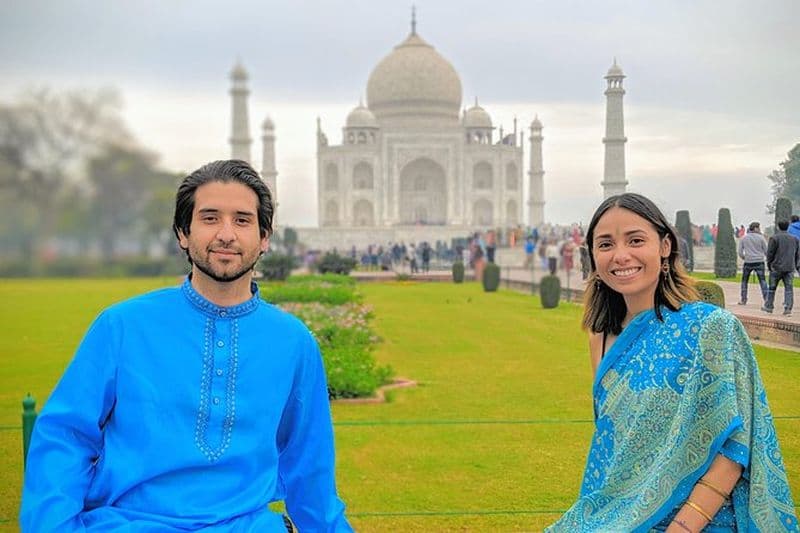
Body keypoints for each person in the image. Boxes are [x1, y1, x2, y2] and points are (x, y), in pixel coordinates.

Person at [21, 160, 353, 532]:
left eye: (242, 220)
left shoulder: (293, 342)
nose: (226, 234)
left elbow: (310, 468)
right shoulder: (124, 326)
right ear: (183, 232)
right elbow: (65, 437)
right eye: (210, 218)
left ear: (264, 238)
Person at [547, 193, 797, 532]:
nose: (621, 255)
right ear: (592, 255)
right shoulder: (602, 339)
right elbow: (617, 445)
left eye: (635, 240)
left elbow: (735, 446)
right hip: (620, 513)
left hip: (702, 519)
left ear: (664, 246)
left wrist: (682, 526)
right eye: (605, 244)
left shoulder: (711, 328)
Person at [762, 219, 800, 316]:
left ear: (778, 227)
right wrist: (795, 265)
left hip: (776, 267)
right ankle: (788, 308)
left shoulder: (774, 238)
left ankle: (769, 306)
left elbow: (770, 254)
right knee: (789, 289)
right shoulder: (794, 239)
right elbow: (797, 254)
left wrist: (769, 265)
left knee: (772, 288)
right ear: (788, 227)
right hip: (789, 267)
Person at [737, 221, 768, 305]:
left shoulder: (744, 238)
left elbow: (740, 251)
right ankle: (767, 299)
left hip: (748, 261)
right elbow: (766, 250)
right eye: (759, 228)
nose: (760, 229)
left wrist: (744, 257)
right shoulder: (761, 238)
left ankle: (743, 299)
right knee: (762, 281)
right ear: (755, 228)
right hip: (759, 261)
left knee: (744, 281)